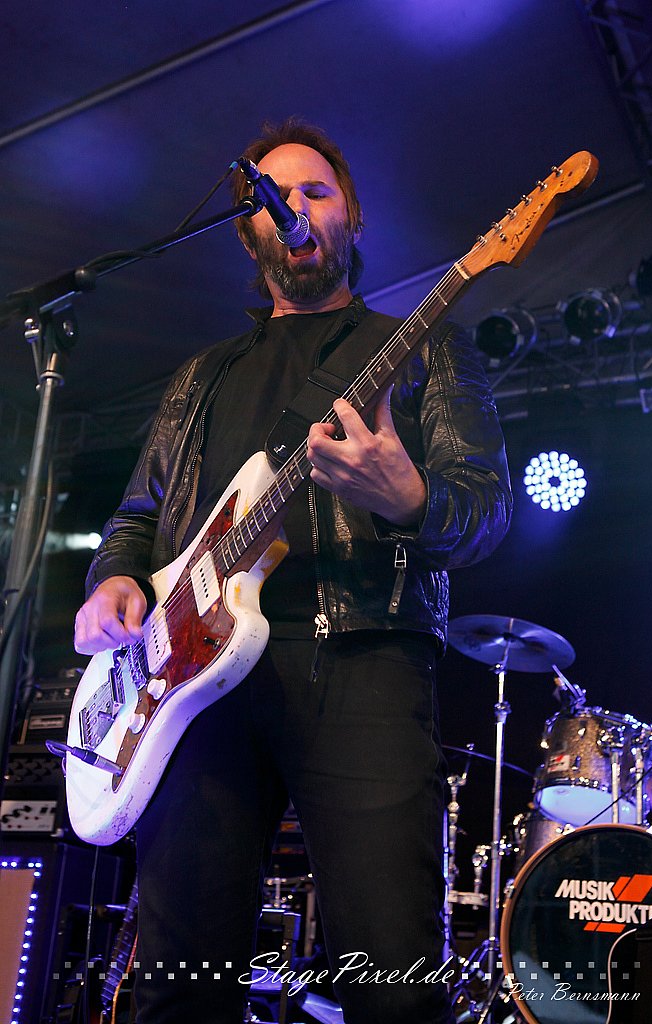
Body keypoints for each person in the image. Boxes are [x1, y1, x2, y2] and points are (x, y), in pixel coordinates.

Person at [74, 118, 512, 1024]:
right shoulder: (199, 378)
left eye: (316, 191)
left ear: (352, 215)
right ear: (249, 234)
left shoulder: (423, 347)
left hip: (362, 660)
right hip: (191, 684)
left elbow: (485, 511)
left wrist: (409, 498)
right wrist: (111, 580)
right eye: (272, 198)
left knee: (391, 967)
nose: (294, 208)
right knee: (178, 978)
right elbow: (137, 518)